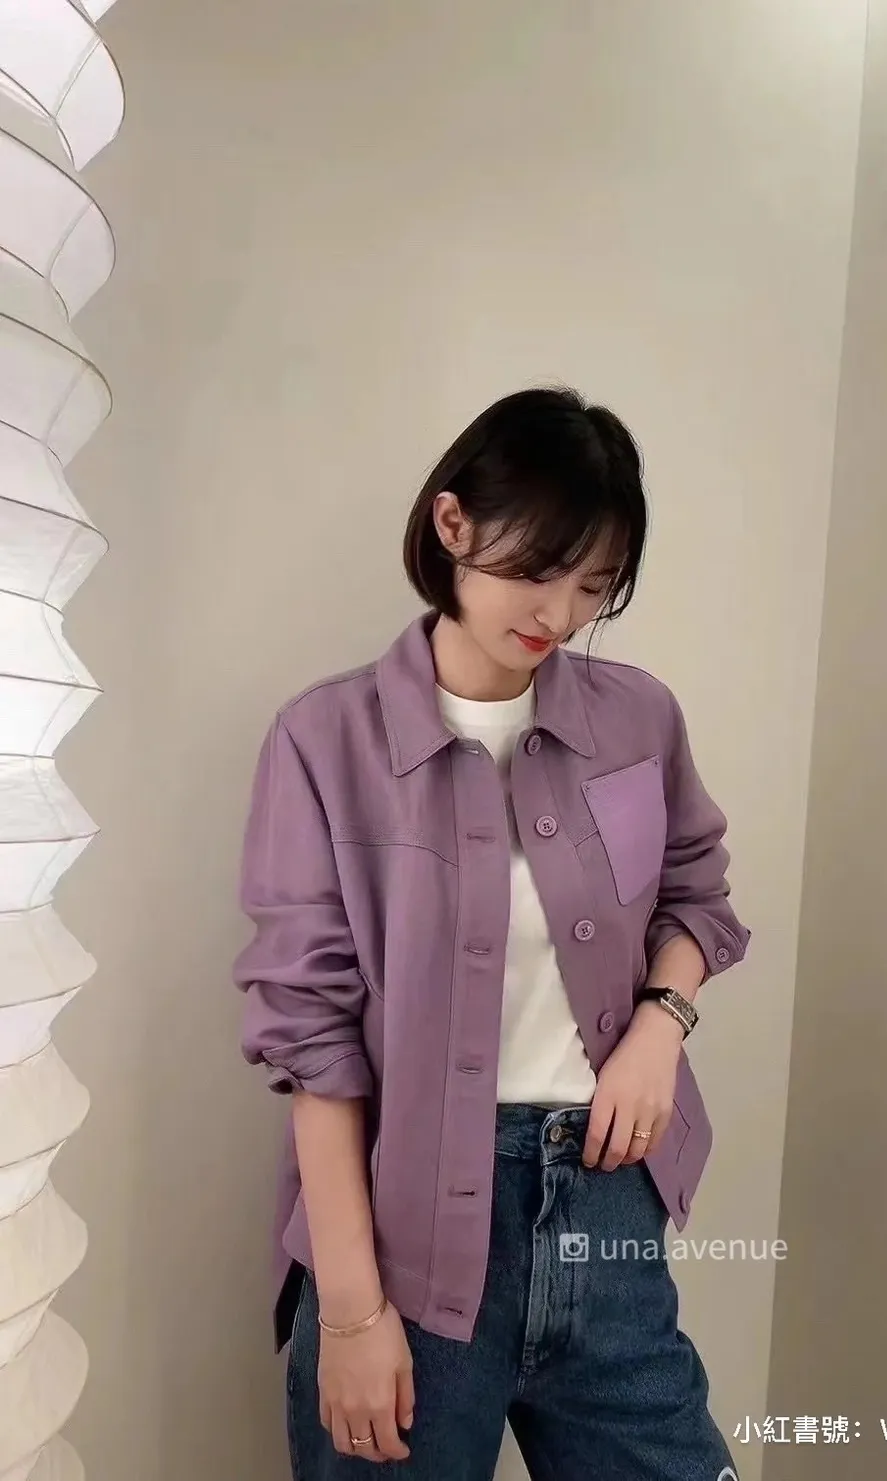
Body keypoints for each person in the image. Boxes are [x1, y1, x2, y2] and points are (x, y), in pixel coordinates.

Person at [232, 386, 750, 1479]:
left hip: (607, 1206)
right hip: (401, 1239)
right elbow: (311, 1044)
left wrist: (659, 1025)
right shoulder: (323, 741)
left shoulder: (636, 717)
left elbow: (695, 894)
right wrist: (353, 1312)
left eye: (594, 584)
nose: (558, 613)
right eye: (538, 569)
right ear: (453, 523)